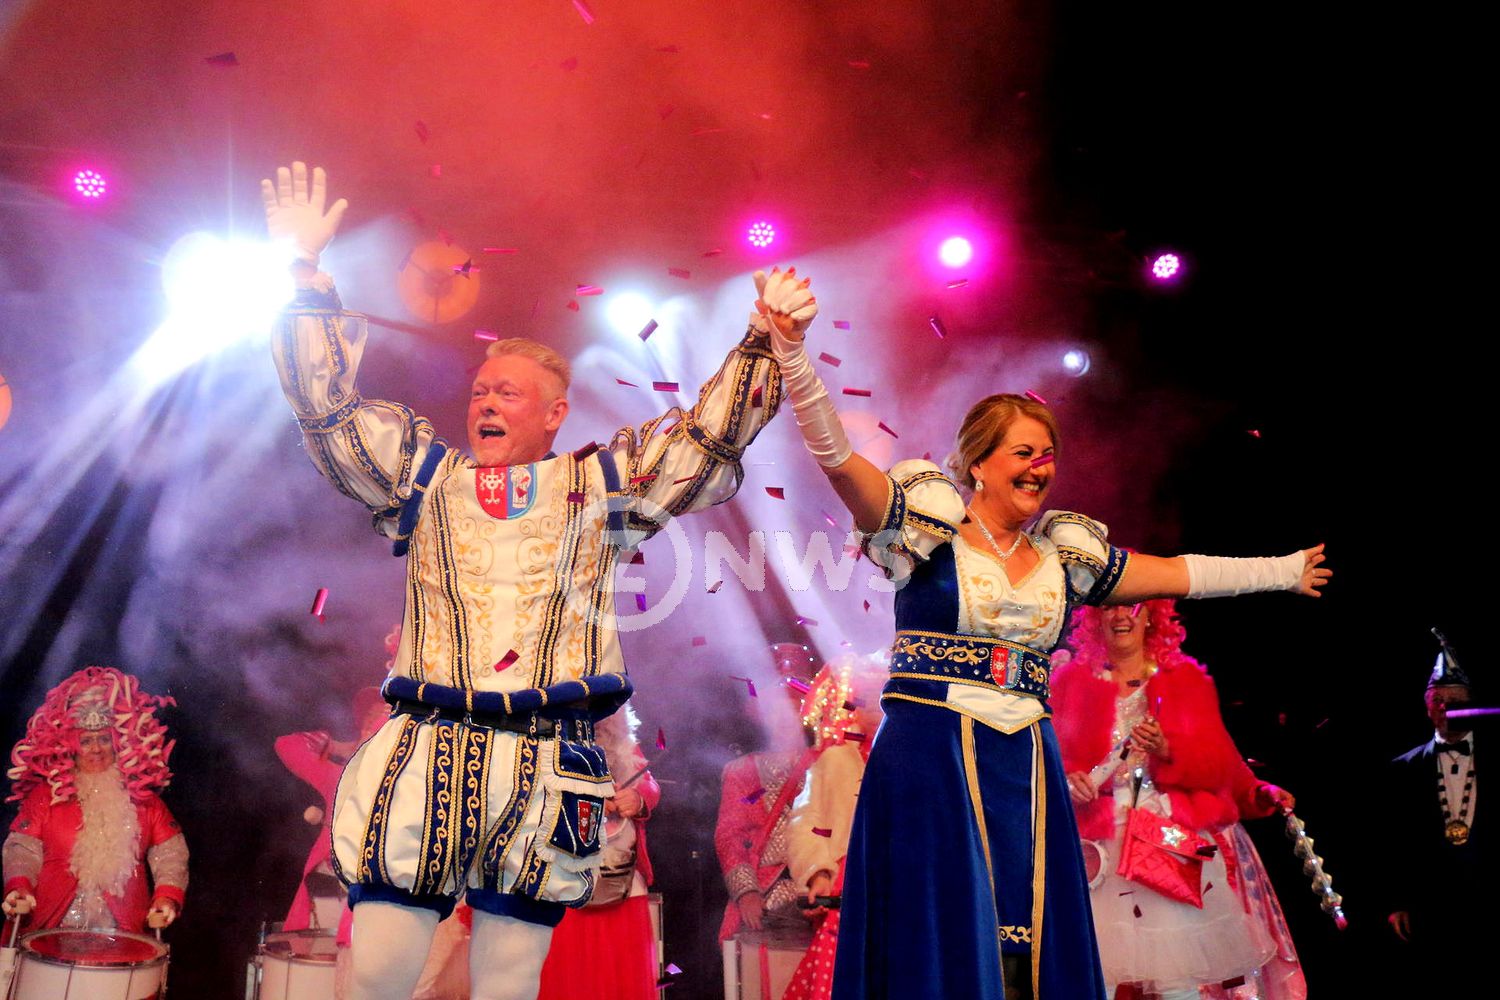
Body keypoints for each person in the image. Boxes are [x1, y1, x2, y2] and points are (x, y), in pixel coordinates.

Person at [261, 162, 791, 1000]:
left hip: (547, 761)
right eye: (480, 390)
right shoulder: (425, 480)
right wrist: (305, 273)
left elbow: (703, 443)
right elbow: (329, 418)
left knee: (510, 977)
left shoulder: (599, 487)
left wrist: (764, 340)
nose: (486, 402)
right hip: (430, 745)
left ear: (553, 414)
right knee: (385, 966)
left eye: (508, 392)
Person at [755, 269, 1330, 999]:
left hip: (1023, 754)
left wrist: (1282, 570)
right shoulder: (927, 532)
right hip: (931, 754)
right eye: (1024, 451)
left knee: (1026, 934)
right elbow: (839, 461)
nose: (1041, 465)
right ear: (978, 464)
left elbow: (1176, 573)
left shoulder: (1065, 557)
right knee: (941, 930)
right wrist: (793, 352)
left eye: (1048, 453)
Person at [1053, 601, 1305, 1000]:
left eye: (1132, 606)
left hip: (1168, 834)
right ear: (1095, 617)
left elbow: (1221, 759)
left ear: (1151, 615)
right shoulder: (1069, 681)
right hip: (1097, 843)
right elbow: (1046, 757)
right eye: (1110, 607)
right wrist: (1069, 780)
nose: (1121, 616)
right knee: (1097, 968)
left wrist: (1172, 751)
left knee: (1179, 970)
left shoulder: (1185, 679)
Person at [2, 666, 188, 935]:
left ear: (118, 744)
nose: (96, 748)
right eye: (86, 740)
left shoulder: (144, 800)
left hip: (123, 933)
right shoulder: (46, 795)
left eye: (104, 739)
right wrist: (20, 887)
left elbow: (170, 853)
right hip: (49, 929)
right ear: (71, 747)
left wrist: (166, 897)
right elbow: (23, 849)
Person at [537, 704, 661, 1000]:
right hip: (565, 879)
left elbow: (649, 784)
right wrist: (584, 802)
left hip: (622, 880)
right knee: (571, 977)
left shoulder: (624, 742)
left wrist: (638, 799)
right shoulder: (544, 736)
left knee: (623, 977)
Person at [1385, 637, 1490, 983]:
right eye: (1438, 700)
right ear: (1427, 707)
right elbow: (1395, 838)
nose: (1446, 709)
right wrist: (1398, 901)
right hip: (1432, 905)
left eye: (1455, 702)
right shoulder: (1403, 768)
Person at [783, 650, 888, 1000]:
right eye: (867, 697)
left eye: (883, 695)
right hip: (848, 895)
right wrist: (817, 872)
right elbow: (805, 821)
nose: (875, 706)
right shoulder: (833, 760)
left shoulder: (920, 760)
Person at [715, 643, 819, 943]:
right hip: (766, 899)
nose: (784, 717)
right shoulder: (742, 771)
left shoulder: (829, 763)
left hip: (823, 893)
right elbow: (729, 837)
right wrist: (746, 892)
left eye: (794, 707)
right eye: (776, 708)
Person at [276, 685, 388, 933]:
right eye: (370, 717)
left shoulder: (411, 779)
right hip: (331, 887)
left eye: (384, 716)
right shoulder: (337, 777)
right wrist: (339, 747)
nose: (375, 723)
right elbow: (287, 745)